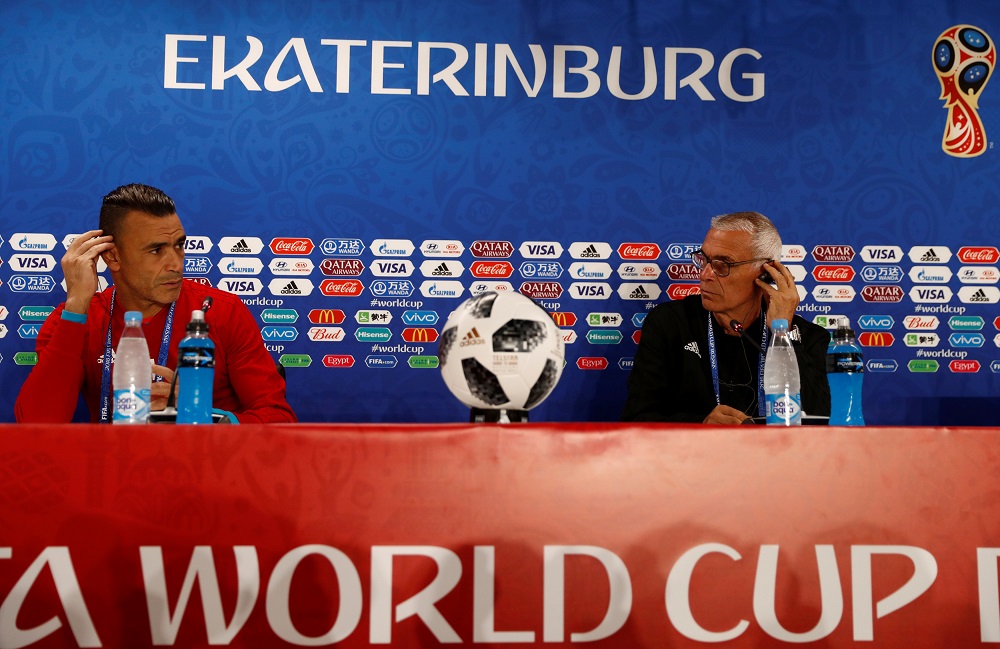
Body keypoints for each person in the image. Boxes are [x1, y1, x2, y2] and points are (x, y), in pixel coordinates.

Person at [15, 183, 297, 424]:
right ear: (113, 257)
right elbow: (36, 425)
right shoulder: (74, 319)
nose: (175, 264)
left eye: (179, 245)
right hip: (114, 465)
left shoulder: (222, 311)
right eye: (156, 250)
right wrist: (77, 304)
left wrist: (202, 416)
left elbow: (280, 418)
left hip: (205, 465)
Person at [621, 212, 830, 424]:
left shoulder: (809, 337)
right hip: (695, 446)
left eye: (723, 265)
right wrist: (700, 425)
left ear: (765, 273)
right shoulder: (669, 323)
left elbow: (820, 422)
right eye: (704, 260)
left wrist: (782, 331)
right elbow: (637, 419)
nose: (705, 274)